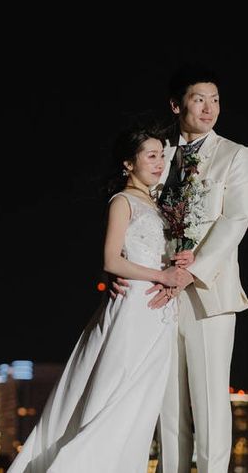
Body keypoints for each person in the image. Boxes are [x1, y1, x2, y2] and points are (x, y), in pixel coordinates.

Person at [7, 126, 193, 473]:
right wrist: (162, 276)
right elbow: (111, 260)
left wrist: (179, 265)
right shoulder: (123, 201)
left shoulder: (157, 204)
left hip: (158, 314)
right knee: (116, 396)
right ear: (128, 163)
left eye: (161, 156)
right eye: (151, 156)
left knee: (140, 406)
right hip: (134, 308)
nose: (159, 163)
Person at [113, 63, 248, 473]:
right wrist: (120, 266)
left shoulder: (235, 155)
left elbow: (235, 220)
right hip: (157, 295)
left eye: (215, 100)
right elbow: (134, 210)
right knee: (168, 404)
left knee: (209, 403)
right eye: (199, 99)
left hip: (208, 293)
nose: (209, 108)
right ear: (176, 105)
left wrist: (193, 269)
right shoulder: (161, 155)